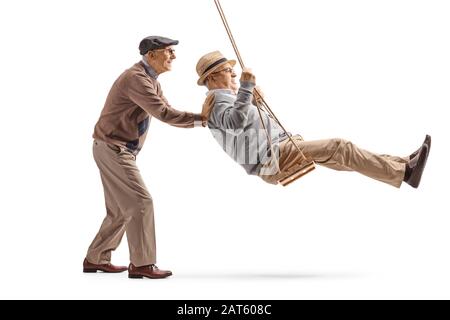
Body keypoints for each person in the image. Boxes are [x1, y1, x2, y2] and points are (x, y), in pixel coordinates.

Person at [196, 51, 430, 188]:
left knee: (343, 158)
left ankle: (402, 164)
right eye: (229, 70)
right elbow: (236, 123)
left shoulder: (229, 98)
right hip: (272, 158)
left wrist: (254, 100)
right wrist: (247, 87)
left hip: (279, 149)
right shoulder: (216, 103)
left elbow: (244, 124)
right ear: (214, 76)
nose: (235, 74)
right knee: (340, 146)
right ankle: (405, 173)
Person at [84, 36, 205, 279]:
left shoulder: (150, 80)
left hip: (112, 148)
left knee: (120, 210)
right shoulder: (136, 79)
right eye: (168, 51)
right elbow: (165, 114)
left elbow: (166, 110)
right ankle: (142, 264)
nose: (173, 56)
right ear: (151, 55)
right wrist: (205, 120)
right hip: (114, 149)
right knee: (141, 202)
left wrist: (202, 119)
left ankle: (96, 258)